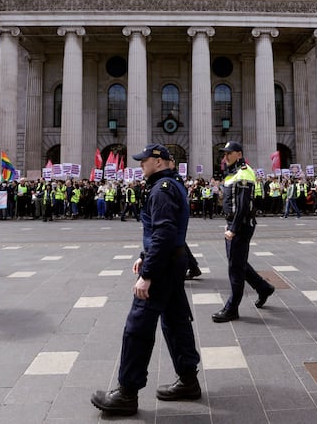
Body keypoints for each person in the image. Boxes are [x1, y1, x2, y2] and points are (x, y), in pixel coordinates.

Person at [91, 144, 200, 416]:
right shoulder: (172, 185)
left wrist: (147, 274)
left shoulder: (161, 189)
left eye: (144, 161)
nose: (140, 165)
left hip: (163, 266)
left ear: (159, 162)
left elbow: (163, 232)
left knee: (138, 325)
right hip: (172, 260)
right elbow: (164, 232)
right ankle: (188, 379)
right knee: (176, 320)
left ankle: (127, 392)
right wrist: (145, 254)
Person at [212, 141, 275, 323]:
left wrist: (233, 228)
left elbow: (242, 206)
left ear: (239, 154)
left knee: (235, 268)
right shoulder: (233, 173)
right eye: (224, 154)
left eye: (228, 154)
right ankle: (263, 288)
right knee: (238, 262)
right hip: (235, 223)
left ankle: (232, 308)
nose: (225, 157)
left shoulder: (244, 172)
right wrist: (229, 223)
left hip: (242, 225)